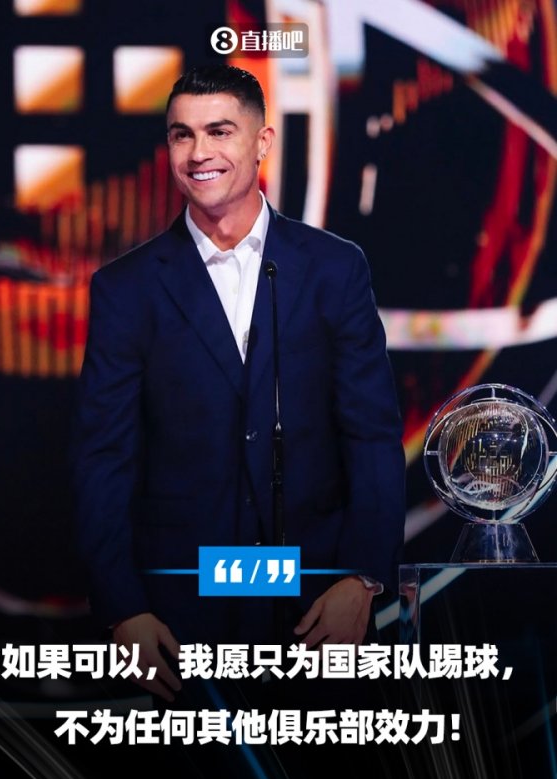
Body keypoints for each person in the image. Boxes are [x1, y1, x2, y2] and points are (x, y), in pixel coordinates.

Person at [71, 65, 405, 702]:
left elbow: (371, 435)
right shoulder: (126, 288)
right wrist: (122, 608)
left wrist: (362, 578)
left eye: (219, 131)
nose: (199, 153)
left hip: (317, 607)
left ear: (262, 142)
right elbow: (102, 458)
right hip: (177, 618)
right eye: (182, 135)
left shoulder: (334, 269)